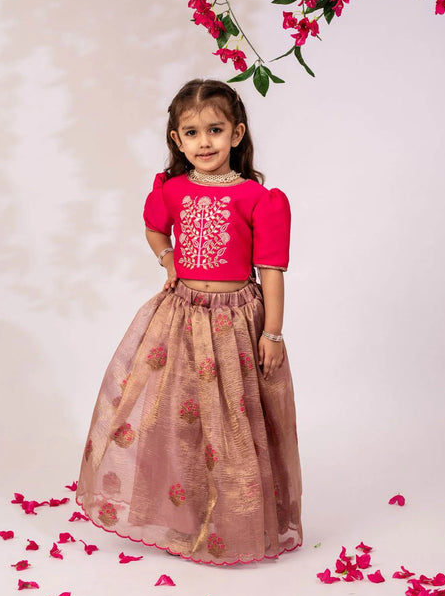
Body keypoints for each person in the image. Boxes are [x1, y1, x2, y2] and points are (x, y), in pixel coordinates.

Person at [76, 78, 303, 565]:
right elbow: (154, 228)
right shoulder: (172, 190)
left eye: (215, 130)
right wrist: (168, 260)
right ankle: (184, 517)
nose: (204, 142)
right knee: (178, 417)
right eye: (193, 133)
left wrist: (273, 332)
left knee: (233, 421)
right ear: (177, 140)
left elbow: (271, 271)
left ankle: (234, 521)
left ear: (237, 134)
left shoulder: (258, 198)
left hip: (235, 325)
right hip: (180, 318)